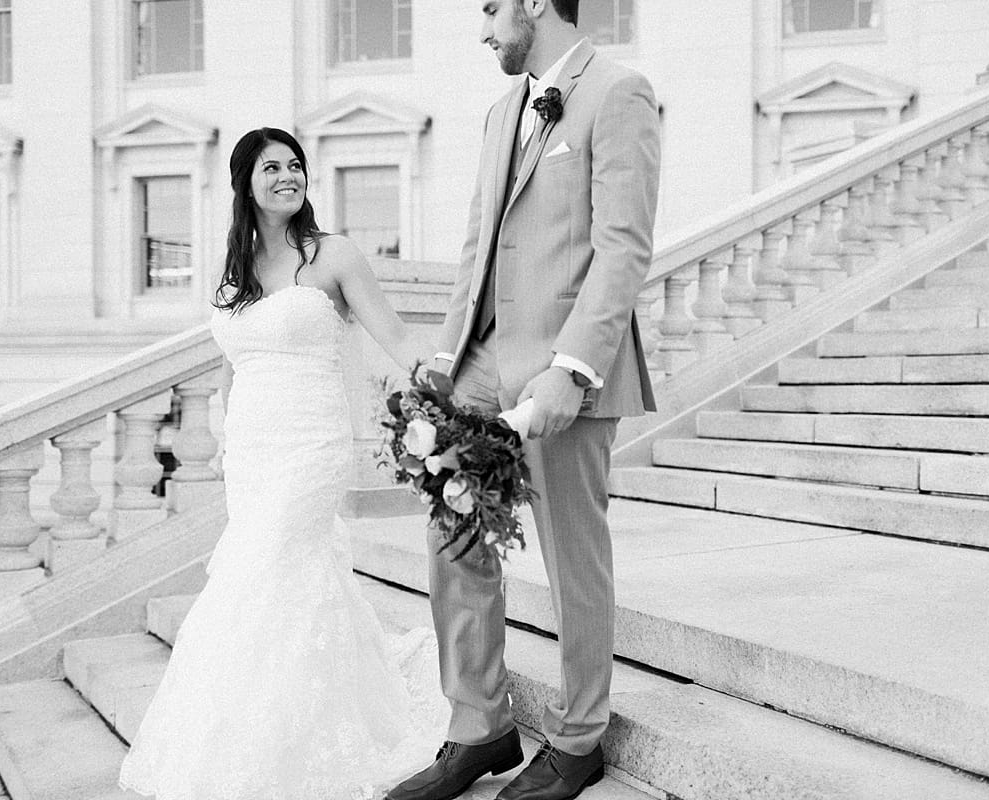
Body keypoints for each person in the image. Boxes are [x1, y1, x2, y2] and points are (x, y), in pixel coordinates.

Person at [119, 127, 447, 800]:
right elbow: (232, 366)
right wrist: (233, 447)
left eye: (295, 165)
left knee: (269, 570)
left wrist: (449, 387)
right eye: (271, 167)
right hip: (253, 451)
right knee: (270, 576)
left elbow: (394, 335)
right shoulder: (234, 271)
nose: (287, 176)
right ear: (245, 183)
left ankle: (282, 740)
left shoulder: (333, 256)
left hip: (310, 445)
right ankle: (252, 723)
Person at [388, 2, 661, 799]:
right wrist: (446, 357)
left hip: (559, 363)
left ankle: (580, 740)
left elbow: (624, 247)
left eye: (489, 9)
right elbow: (478, 245)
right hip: (479, 363)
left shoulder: (619, 93)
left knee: (572, 556)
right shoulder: (501, 111)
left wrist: (572, 370)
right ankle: (479, 725)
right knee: (452, 536)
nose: (482, 31)